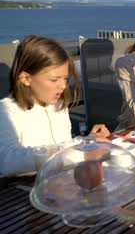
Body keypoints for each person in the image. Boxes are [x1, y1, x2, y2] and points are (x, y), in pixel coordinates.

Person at [0, 35, 111, 177]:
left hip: (60, 181)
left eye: (65, 78)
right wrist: (76, 152)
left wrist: (85, 142)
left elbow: (63, 145)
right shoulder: (6, 111)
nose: (63, 86)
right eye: (54, 80)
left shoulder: (58, 105)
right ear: (26, 78)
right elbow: (7, 160)